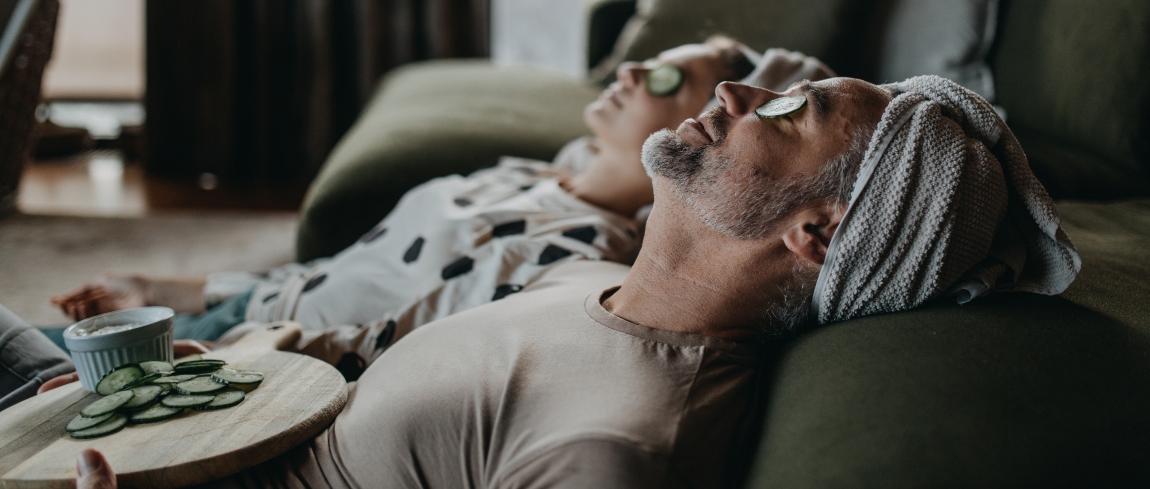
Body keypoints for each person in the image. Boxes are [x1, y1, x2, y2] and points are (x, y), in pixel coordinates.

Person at [31, 74, 1078, 488]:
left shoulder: (615, 441)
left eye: (792, 110)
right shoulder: (587, 276)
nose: (739, 89)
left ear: (815, 233)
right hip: (183, 447)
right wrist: (232, 365)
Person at [46, 37, 787, 373]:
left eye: (663, 75)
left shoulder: (569, 253)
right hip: (235, 314)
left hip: (243, 362)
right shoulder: (529, 175)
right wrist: (165, 291)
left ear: (700, 125)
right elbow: (342, 269)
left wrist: (216, 356)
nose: (631, 68)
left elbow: (394, 347)